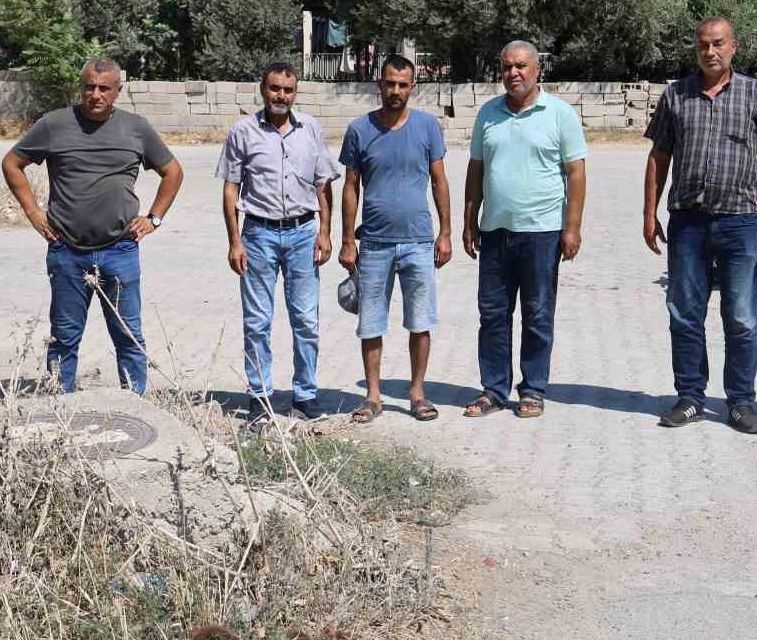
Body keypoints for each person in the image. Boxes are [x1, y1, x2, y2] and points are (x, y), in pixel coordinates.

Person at [3, 58, 184, 395]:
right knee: (64, 337)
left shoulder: (136, 128)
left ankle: (135, 405)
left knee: (129, 337)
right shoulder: (54, 124)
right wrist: (32, 212)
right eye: (89, 87)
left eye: (104, 88)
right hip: (67, 251)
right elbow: (12, 163)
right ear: (81, 87)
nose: (95, 94)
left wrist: (153, 218)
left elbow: (173, 172)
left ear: (118, 91)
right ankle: (60, 408)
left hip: (120, 249)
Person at [643, 17, 757, 434]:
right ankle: (690, 398)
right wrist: (649, 213)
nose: (711, 52)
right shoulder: (676, 95)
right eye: (703, 45)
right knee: (685, 314)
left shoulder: (756, 94)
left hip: (740, 222)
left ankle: (741, 402)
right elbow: (658, 157)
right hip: (688, 222)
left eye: (718, 44)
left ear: (733, 47)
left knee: (741, 317)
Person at [461, 40, 587, 420]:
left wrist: (573, 227)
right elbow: (476, 170)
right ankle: (494, 390)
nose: (512, 73)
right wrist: (469, 221)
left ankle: (532, 389)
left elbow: (576, 173)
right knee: (493, 315)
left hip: (543, 232)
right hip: (496, 231)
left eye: (520, 66)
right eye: (506, 67)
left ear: (538, 71)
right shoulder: (488, 114)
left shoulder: (559, 114)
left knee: (537, 314)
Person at [217, 63, 341, 425]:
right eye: (274, 89)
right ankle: (260, 396)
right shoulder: (242, 132)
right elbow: (230, 188)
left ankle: (305, 394)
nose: (281, 96)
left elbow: (323, 184)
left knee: (306, 319)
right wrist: (234, 241)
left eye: (287, 90)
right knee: (257, 321)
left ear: (295, 92)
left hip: (303, 234)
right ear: (262, 89)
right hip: (258, 236)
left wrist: (325, 231)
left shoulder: (310, 129)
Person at [338, 55, 453, 424]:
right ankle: (372, 397)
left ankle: (417, 393)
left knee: (420, 321)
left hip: (419, 241)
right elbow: (350, 187)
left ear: (412, 87)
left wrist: (446, 233)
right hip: (373, 243)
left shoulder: (427, 127)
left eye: (403, 84)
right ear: (379, 84)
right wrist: (347, 240)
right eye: (390, 83)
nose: (396, 91)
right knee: (371, 323)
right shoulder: (359, 129)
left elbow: (439, 181)